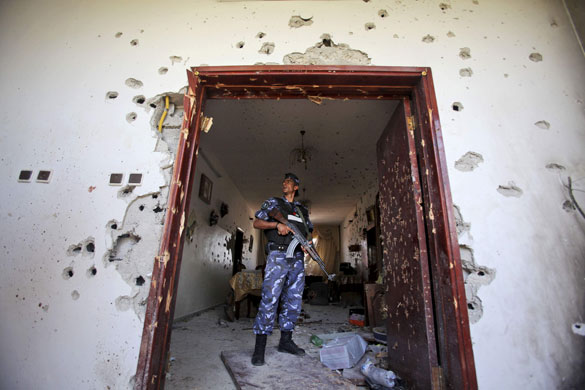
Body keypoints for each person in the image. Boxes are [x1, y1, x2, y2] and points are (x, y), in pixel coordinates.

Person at [251, 173, 313, 366]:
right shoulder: (273, 203)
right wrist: (276, 225)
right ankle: (259, 349)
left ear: (296, 187)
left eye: (289, 182)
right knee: (270, 298)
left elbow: (307, 231)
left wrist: (306, 244)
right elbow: (257, 222)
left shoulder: (303, 210)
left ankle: (286, 341)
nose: (284, 183)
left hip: (297, 258)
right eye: (284, 181)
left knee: (294, 300)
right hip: (278, 255)